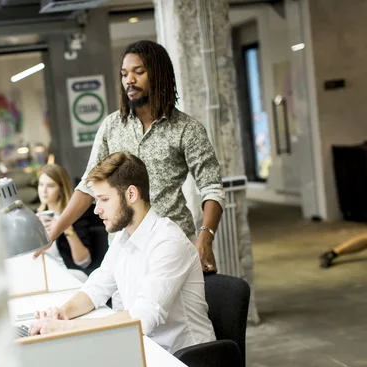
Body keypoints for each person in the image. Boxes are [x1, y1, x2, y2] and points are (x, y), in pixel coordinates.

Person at [34, 40, 225, 274]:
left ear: (159, 74)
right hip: (122, 249)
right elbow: (87, 187)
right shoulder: (111, 126)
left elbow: (211, 187)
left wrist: (206, 237)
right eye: (124, 74)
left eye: (139, 72)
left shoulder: (187, 129)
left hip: (171, 246)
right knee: (123, 309)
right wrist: (52, 233)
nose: (129, 80)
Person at [29, 152, 216, 353]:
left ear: (131, 194)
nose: (96, 210)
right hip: (146, 350)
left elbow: (142, 319)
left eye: (103, 199)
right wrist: (60, 314)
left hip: (187, 362)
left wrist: (68, 328)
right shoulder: (123, 238)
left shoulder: (168, 242)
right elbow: (95, 289)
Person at [37, 164, 93, 282]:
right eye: (41, 184)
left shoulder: (76, 217)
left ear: (61, 188)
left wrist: (65, 227)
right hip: (42, 275)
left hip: (67, 273)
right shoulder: (33, 217)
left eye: (50, 185)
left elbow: (84, 262)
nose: (44, 190)